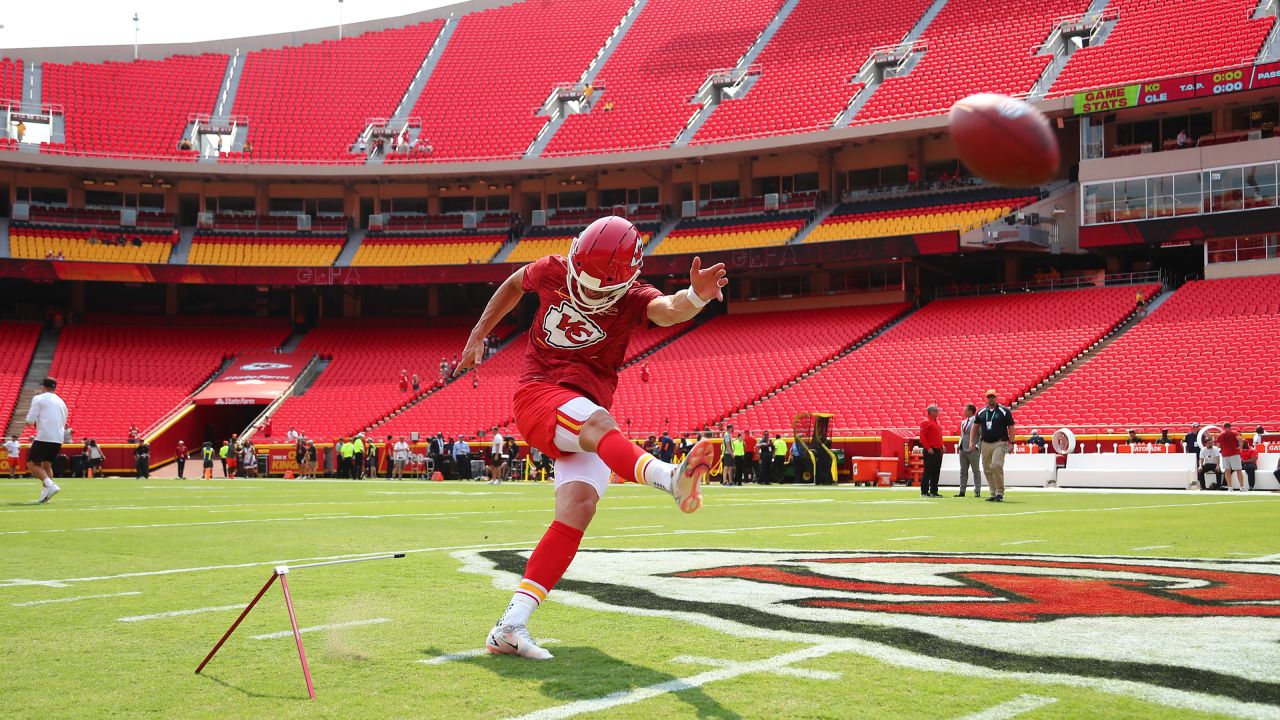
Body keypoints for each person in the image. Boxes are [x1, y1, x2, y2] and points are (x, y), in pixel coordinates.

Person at [460, 215, 722, 660]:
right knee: (599, 423)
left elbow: (671, 309)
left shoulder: (634, 297)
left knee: (578, 509)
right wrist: (478, 333)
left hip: (581, 412)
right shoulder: (551, 268)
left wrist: (697, 294)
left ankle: (509, 626)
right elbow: (511, 284)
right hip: (539, 393)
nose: (587, 290)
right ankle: (670, 478)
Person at [24, 378, 66, 503]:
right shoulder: (62, 402)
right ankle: (46, 494)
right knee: (47, 465)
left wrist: (28, 422)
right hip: (58, 438)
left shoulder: (39, 398)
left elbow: (30, 421)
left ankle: (50, 485)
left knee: (31, 463)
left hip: (44, 436)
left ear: (44, 386)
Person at [972, 389, 1014, 502]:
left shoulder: (1004, 411)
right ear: (986, 398)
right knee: (986, 468)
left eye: (993, 397)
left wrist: (1011, 442)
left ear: (997, 398)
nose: (991, 399)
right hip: (985, 443)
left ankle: (999, 492)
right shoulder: (981, 412)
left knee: (996, 465)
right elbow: (974, 427)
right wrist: (972, 442)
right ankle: (993, 492)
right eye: (989, 397)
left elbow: (1011, 427)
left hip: (1000, 442)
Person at [956, 403, 982, 497]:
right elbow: (962, 435)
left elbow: (981, 436)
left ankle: (977, 491)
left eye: (965, 409)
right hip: (963, 449)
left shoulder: (977, 421)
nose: (963, 411)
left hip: (973, 449)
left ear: (970, 411)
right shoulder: (963, 422)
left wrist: (977, 446)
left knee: (976, 471)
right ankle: (962, 491)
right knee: (963, 470)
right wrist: (960, 444)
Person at [919, 404, 944, 497]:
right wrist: (928, 448)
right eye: (936, 410)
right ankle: (924, 491)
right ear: (931, 412)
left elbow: (939, 436)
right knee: (928, 470)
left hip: (937, 450)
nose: (938, 412)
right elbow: (922, 436)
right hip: (930, 450)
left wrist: (942, 445)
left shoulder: (936, 423)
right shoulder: (926, 422)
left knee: (936, 471)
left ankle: (934, 491)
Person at [1218, 422, 1245, 491]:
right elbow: (1240, 439)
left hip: (1224, 454)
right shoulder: (1235, 432)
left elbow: (1218, 445)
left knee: (1227, 471)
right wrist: (1240, 449)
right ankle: (1242, 487)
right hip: (1234, 454)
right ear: (1230, 426)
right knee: (1238, 470)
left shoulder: (1221, 434)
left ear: (1223, 427)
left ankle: (1230, 487)